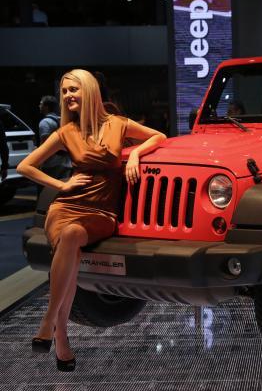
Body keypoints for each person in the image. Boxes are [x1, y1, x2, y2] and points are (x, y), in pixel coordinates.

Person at [17, 69, 167, 372]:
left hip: (101, 212)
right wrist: (62, 186)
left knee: (71, 246)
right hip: (66, 208)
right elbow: (25, 166)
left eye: (74, 89)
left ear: (90, 91)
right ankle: (57, 334)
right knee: (70, 244)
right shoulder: (65, 133)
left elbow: (158, 136)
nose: (69, 95)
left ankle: (52, 326)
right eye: (64, 91)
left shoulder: (117, 124)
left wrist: (135, 154)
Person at [38, 96, 72, 188]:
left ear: (46, 106)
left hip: (51, 164)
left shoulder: (45, 122)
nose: (39, 106)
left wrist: (39, 163)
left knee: (47, 192)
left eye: (41, 104)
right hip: (66, 162)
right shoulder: (62, 120)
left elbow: (45, 145)